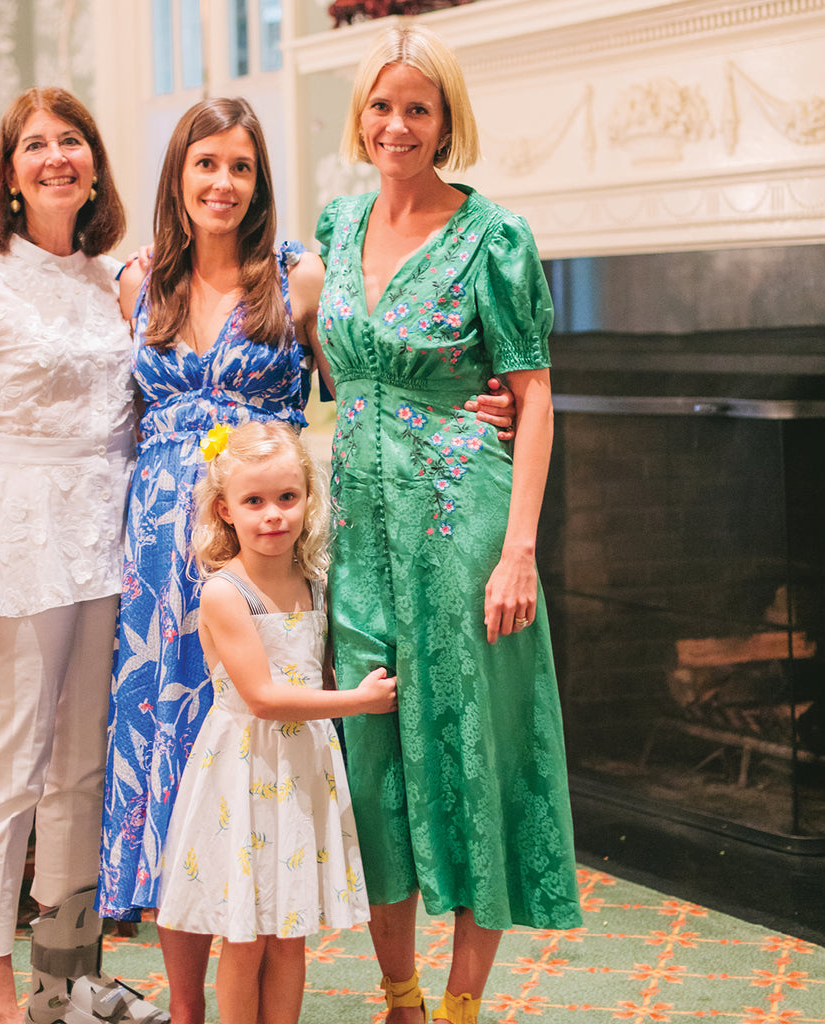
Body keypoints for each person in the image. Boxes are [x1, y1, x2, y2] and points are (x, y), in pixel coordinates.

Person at [96, 97, 517, 1024]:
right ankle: (187, 1007)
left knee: (252, 773)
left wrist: (490, 403)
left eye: (241, 166)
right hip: (160, 569)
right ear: (178, 176)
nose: (222, 182)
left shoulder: (299, 279)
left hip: (267, 558)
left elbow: (366, 378)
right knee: (172, 773)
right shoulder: (136, 284)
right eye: (205, 163)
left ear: (261, 182)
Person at [314, 24, 583, 1024]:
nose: (397, 124)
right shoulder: (335, 227)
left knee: (475, 749)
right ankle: (401, 995)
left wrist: (519, 552)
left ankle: (461, 1005)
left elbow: (534, 392)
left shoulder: (493, 235)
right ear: (362, 115)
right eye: (382, 105)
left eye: (417, 108)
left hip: (462, 532)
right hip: (356, 541)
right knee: (373, 757)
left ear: (445, 121)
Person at [0, 87, 164, 1024]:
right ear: (10, 175)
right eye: (34, 145)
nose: (55, 155)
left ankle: (64, 982)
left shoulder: (116, 280)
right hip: (16, 540)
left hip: (110, 539)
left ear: (95, 165)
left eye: (72, 141)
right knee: (5, 774)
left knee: (82, 772)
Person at [155, 419, 397, 1024]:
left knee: (289, 933)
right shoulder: (224, 594)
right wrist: (358, 702)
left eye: (287, 498)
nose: (273, 516)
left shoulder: (315, 584)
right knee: (246, 936)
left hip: (301, 774)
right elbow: (263, 697)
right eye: (254, 501)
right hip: (245, 771)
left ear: (308, 499)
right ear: (224, 509)